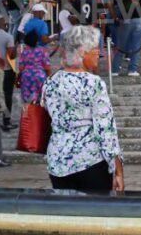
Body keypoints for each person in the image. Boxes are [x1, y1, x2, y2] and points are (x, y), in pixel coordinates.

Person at [43, 25, 124, 192]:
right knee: (93, 215)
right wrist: (118, 169)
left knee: (66, 215)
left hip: (57, 161)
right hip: (90, 161)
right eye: (94, 49)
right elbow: (106, 130)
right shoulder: (94, 83)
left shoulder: (50, 81)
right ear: (81, 52)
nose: (98, 53)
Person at [19, 25, 52, 106]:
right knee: (41, 101)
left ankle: (29, 116)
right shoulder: (43, 51)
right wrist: (49, 79)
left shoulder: (24, 52)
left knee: (28, 102)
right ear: (37, 40)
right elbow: (47, 67)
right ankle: (39, 117)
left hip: (26, 77)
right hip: (40, 77)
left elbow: (21, 68)